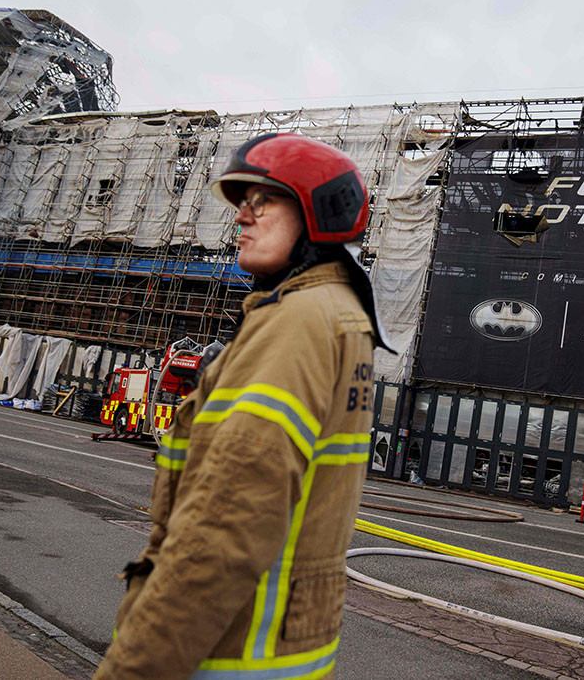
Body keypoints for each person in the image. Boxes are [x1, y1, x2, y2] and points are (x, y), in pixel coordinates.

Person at [94, 133, 392, 680]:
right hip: (278, 650)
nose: (241, 217)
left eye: (262, 200)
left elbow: (220, 530)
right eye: (240, 203)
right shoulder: (341, 313)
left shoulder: (299, 320)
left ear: (318, 212)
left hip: (226, 652)